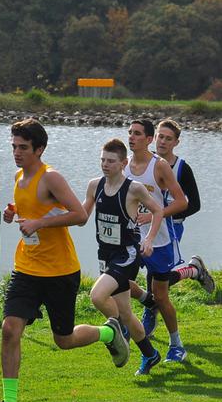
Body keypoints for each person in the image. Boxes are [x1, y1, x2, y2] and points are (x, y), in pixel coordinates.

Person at [0, 119, 129, 402]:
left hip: (60, 271)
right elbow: (33, 212)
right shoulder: (19, 177)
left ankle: (107, 332)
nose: (17, 152)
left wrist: (39, 223)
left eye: (23, 147)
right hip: (27, 267)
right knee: (10, 329)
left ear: (40, 149)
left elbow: (80, 215)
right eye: (14, 146)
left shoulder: (52, 178)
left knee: (63, 340)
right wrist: (16, 214)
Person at [82, 139, 164, 376]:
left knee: (97, 296)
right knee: (126, 313)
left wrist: (148, 240)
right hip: (105, 254)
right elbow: (81, 215)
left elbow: (158, 210)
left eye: (111, 161)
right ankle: (150, 354)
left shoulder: (134, 188)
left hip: (126, 254)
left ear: (123, 163)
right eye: (102, 160)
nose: (105, 165)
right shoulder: (94, 185)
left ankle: (118, 331)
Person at [130, 119, 214, 340]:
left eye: (169, 138)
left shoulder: (181, 168)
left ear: (176, 142)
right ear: (153, 137)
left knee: (158, 277)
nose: (163, 142)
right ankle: (192, 271)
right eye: (160, 136)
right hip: (144, 224)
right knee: (154, 276)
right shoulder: (140, 164)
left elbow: (193, 204)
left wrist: (162, 215)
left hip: (171, 227)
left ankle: (150, 314)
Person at [122, 119, 191, 363]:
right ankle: (141, 309)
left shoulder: (159, 166)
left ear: (149, 139)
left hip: (159, 241)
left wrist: (151, 215)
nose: (132, 137)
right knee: (120, 283)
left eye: (137, 134)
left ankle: (176, 344)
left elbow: (183, 202)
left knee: (162, 297)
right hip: (130, 239)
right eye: (130, 133)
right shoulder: (123, 164)